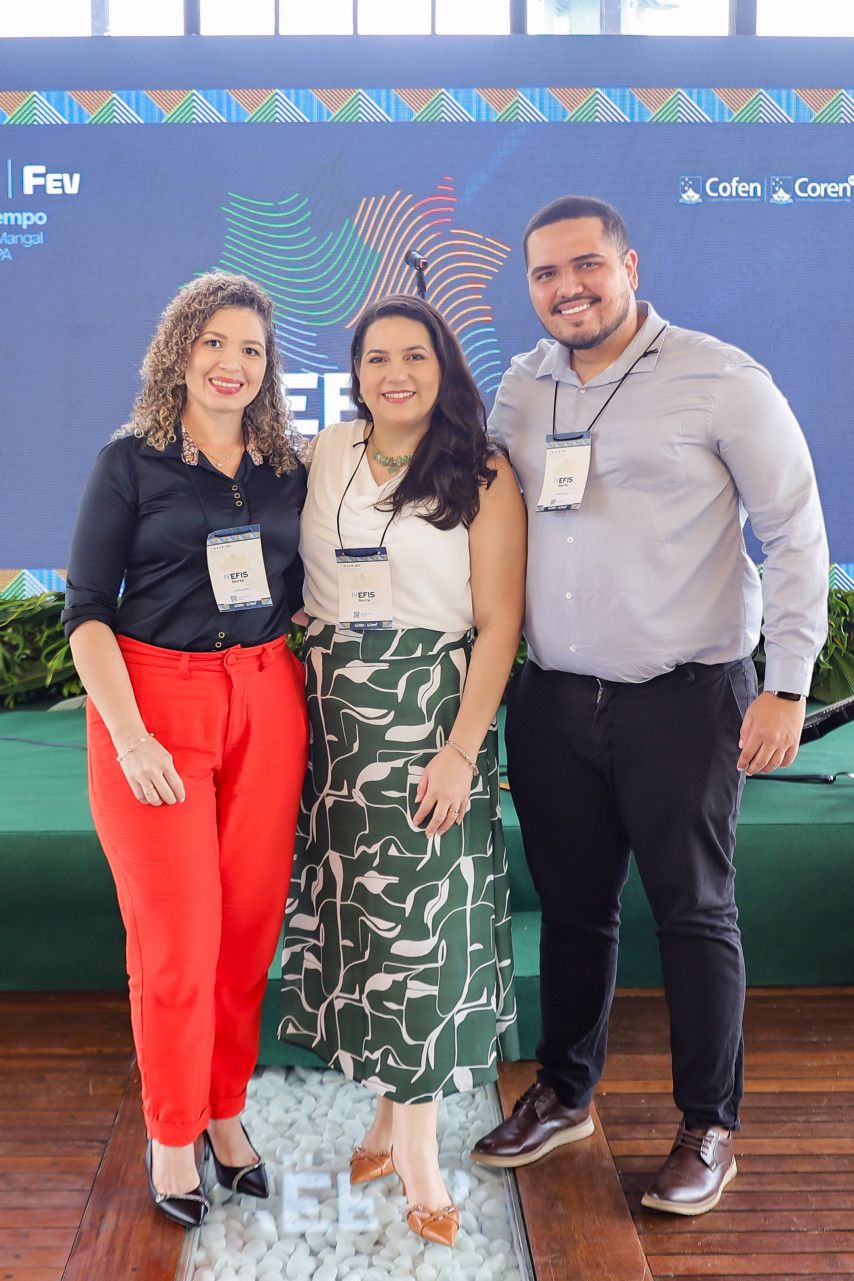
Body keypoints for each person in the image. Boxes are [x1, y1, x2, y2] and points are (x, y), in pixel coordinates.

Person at [471, 197, 828, 1216]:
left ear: (629, 266)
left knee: (693, 912)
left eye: (586, 265)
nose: (567, 288)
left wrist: (786, 684)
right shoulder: (522, 385)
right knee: (573, 911)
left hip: (685, 699)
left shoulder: (720, 376)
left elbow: (794, 531)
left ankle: (708, 1126)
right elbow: (480, 517)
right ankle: (564, 1093)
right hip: (553, 701)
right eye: (545, 273)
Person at [279, 294, 526, 1247]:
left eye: (415, 355)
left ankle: (419, 1148)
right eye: (377, 357)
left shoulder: (482, 469)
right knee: (366, 925)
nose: (396, 373)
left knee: (425, 937)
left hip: (432, 715)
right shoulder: (328, 451)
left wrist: (462, 751)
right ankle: (386, 1122)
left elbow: (500, 622)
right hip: (338, 717)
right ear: (354, 372)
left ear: (443, 364)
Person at [62, 273, 309, 1227]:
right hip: (154, 704)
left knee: (244, 938)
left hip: (267, 698)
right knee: (176, 944)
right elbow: (86, 611)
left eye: (251, 348)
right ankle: (172, 1133)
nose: (231, 363)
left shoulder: (286, 467)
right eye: (214, 342)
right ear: (179, 352)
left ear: (268, 365)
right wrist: (129, 736)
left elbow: (304, 589)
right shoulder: (129, 462)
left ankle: (224, 1109)